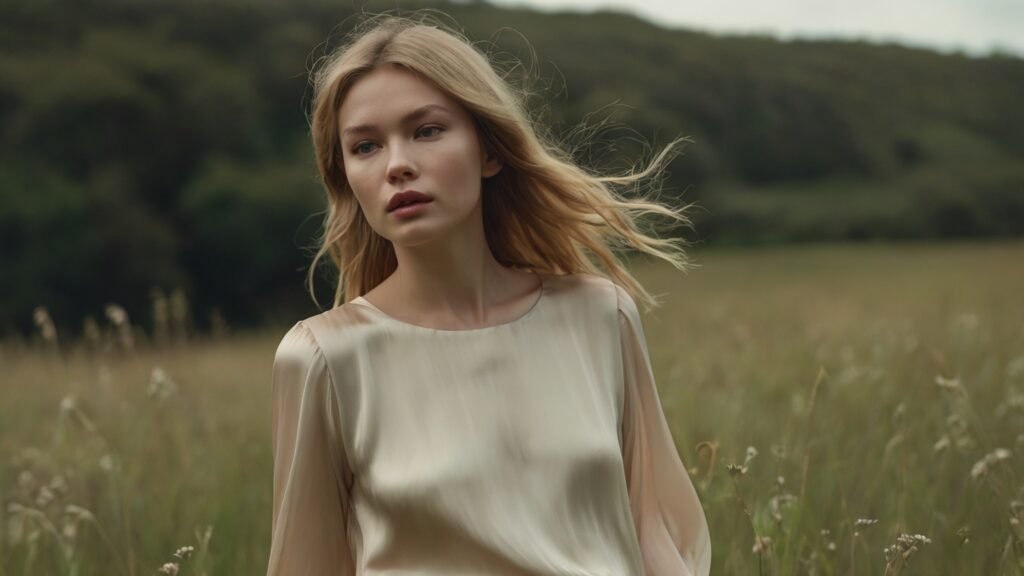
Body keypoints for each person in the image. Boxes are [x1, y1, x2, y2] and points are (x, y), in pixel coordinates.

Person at [266, 12, 711, 576]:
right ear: (346, 178)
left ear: (490, 150)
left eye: (426, 131)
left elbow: (657, 537)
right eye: (365, 146)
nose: (398, 165)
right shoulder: (324, 358)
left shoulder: (600, 317)